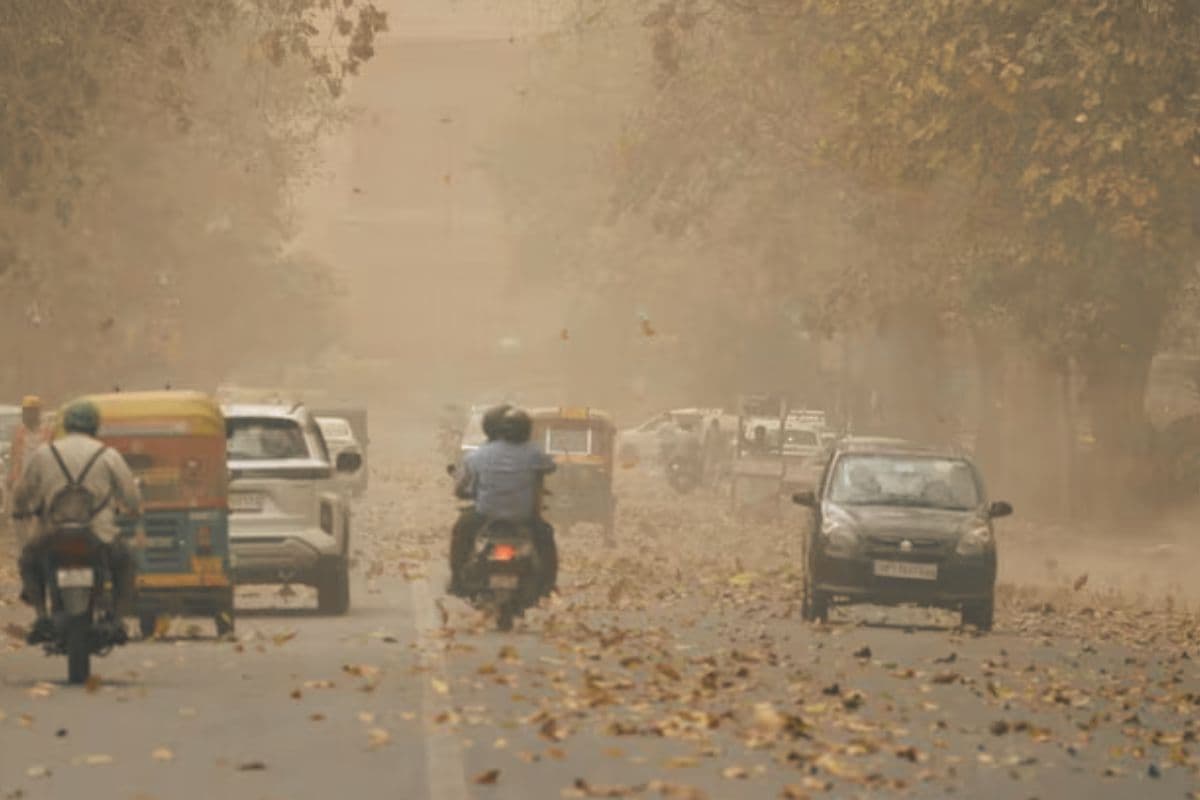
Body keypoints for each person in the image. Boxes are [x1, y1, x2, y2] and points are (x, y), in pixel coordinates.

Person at [13, 401, 144, 642]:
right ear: (95, 426)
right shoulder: (108, 455)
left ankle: (41, 616)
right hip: (99, 535)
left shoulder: (45, 453)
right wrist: (133, 510)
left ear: (66, 425)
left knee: (29, 560)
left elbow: (22, 492)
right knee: (126, 563)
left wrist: (19, 510)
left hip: (52, 533)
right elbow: (131, 496)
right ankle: (117, 619)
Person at [449, 407, 558, 598]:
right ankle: (548, 586)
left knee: (461, 532)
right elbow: (550, 466)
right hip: (524, 517)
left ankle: (457, 582)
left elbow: (462, 486)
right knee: (545, 537)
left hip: (485, 515)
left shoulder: (479, 455)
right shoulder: (534, 453)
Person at [6, 396, 52, 549]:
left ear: (37, 412)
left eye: (30, 411)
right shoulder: (19, 433)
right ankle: (24, 549)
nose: (27, 415)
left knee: (42, 519)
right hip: (21, 482)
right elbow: (14, 456)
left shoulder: (48, 432)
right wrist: (11, 478)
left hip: (42, 482)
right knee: (19, 518)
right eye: (25, 411)